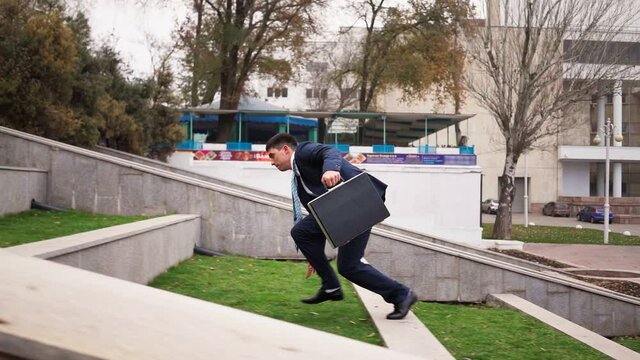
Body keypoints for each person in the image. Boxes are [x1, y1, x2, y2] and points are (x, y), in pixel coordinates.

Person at [265, 133, 417, 320]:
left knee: (300, 231)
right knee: (348, 266)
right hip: (353, 205)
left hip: (358, 198)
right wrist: (315, 255)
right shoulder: (299, 179)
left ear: (286, 150)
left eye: (272, 155)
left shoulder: (304, 152)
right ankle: (402, 295)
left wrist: (330, 169)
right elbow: (319, 216)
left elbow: (329, 152)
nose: (271, 162)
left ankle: (331, 286)